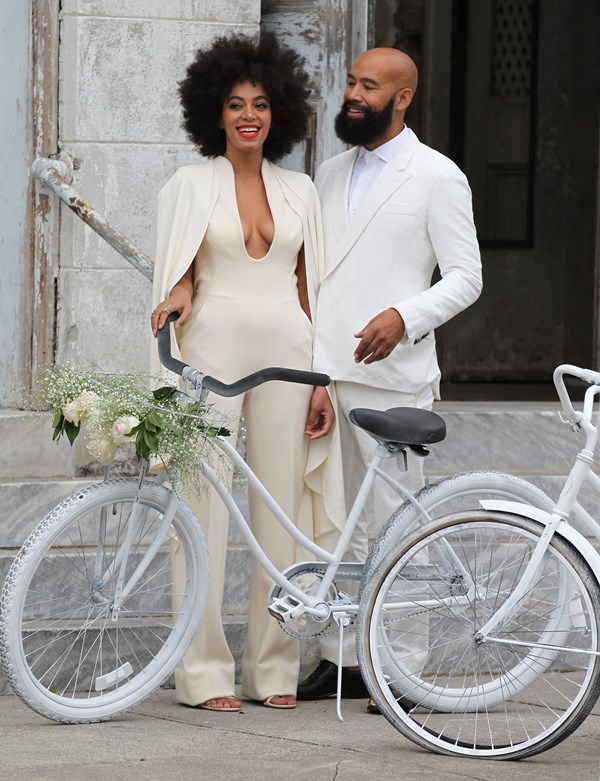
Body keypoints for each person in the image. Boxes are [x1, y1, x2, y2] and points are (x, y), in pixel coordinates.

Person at [150, 32, 341, 712]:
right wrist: (178, 292)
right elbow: (179, 271)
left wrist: (323, 378)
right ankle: (203, 672)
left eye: (260, 103)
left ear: (278, 110)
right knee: (201, 505)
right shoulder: (190, 184)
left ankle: (273, 668)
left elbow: (312, 286)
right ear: (216, 112)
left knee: (280, 510)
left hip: (290, 351)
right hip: (212, 349)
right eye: (235, 104)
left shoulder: (300, 190)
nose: (249, 115)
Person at [297, 47, 483, 704]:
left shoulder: (438, 176)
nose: (353, 94)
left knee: (397, 526)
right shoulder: (327, 173)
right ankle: (343, 659)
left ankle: (400, 666)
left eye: (369, 86)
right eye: (351, 81)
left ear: (402, 97)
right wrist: (316, 377)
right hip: (329, 376)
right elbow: (317, 280)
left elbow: (466, 277)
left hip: (395, 379)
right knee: (336, 521)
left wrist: (405, 316)